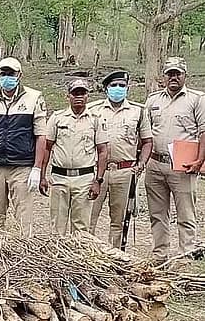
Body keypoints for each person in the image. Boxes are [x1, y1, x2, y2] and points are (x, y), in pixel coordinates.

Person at [0, 57, 48, 236]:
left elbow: (41, 136)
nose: (7, 77)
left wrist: (37, 169)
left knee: (23, 217)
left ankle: (24, 250)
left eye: (11, 73)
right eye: (3, 73)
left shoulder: (34, 98)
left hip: (22, 166)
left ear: (19, 75)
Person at [144, 57, 205, 261]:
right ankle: (160, 255)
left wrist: (200, 161)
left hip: (183, 166)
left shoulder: (197, 99)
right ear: (164, 76)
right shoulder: (153, 100)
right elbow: (144, 132)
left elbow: (203, 132)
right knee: (157, 214)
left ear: (185, 75)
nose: (173, 77)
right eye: (170, 73)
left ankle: (185, 256)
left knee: (186, 214)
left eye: (178, 73)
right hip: (155, 164)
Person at [88, 70, 152, 248]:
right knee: (89, 217)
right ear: (106, 89)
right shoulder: (93, 110)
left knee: (119, 220)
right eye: (113, 85)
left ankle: (115, 255)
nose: (118, 89)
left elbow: (147, 142)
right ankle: (87, 253)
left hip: (124, 171)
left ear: (127, 88)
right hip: (96, 172)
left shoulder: (138, 111)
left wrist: (141, 163)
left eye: (122, 86)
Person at [40, 79, 108, 235]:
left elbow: (103, 151)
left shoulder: (96, 119)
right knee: (57, 227)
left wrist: (98, 181)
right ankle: (58, 252)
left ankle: (80, 251)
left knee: (81, 228)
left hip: (84, 179)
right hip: (59, 178)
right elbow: (47, 147)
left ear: (87, 96)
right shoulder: (57, 118)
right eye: (75, 93)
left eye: (82, 93)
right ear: (68, 96)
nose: (79, 97)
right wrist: (42, 176)